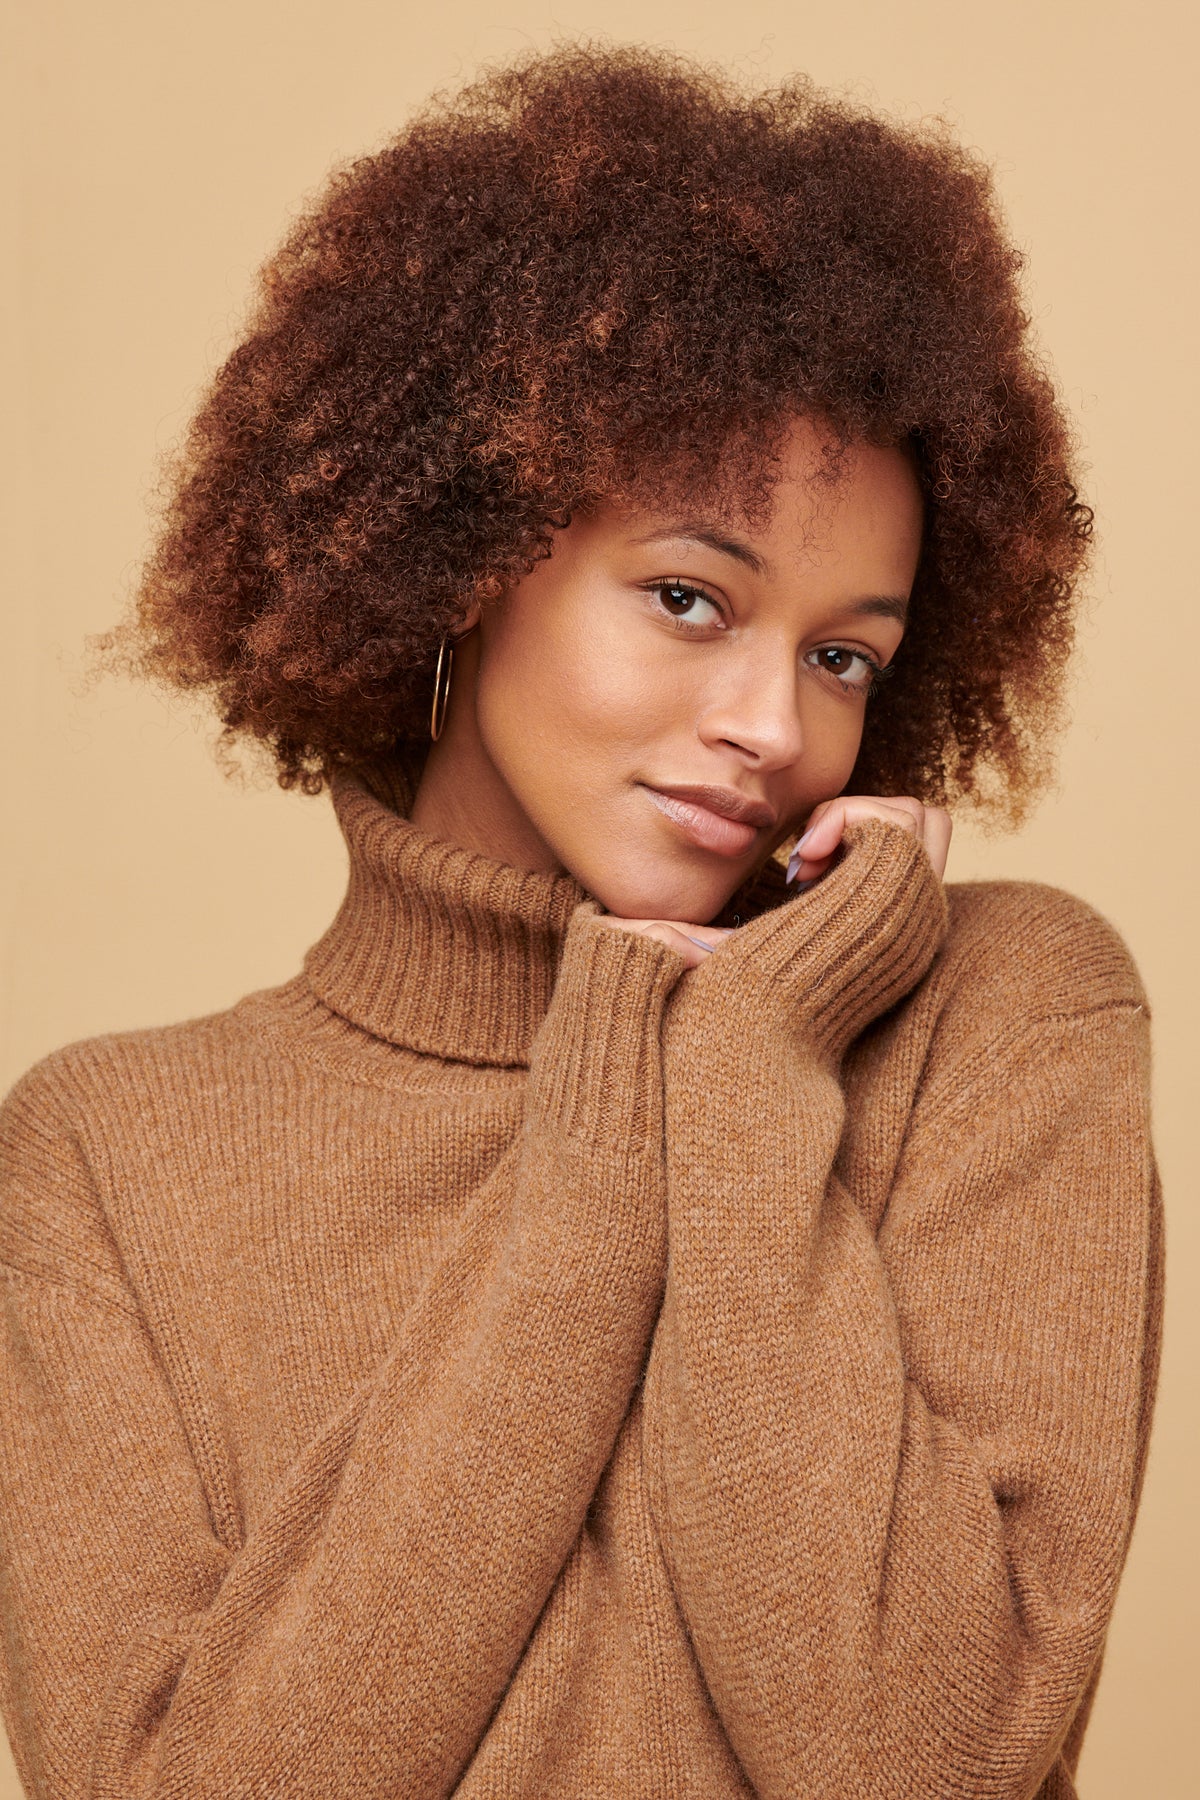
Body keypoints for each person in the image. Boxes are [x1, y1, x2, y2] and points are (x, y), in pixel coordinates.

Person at [0, 44, 1163, 1800]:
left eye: (845, 654)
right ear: (461, 550)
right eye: (690, 598)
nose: (774, 729)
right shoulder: (105, 1154)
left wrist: (757, 1064)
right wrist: (614, 1110)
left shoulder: (999, 1017)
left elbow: (921, 1763)